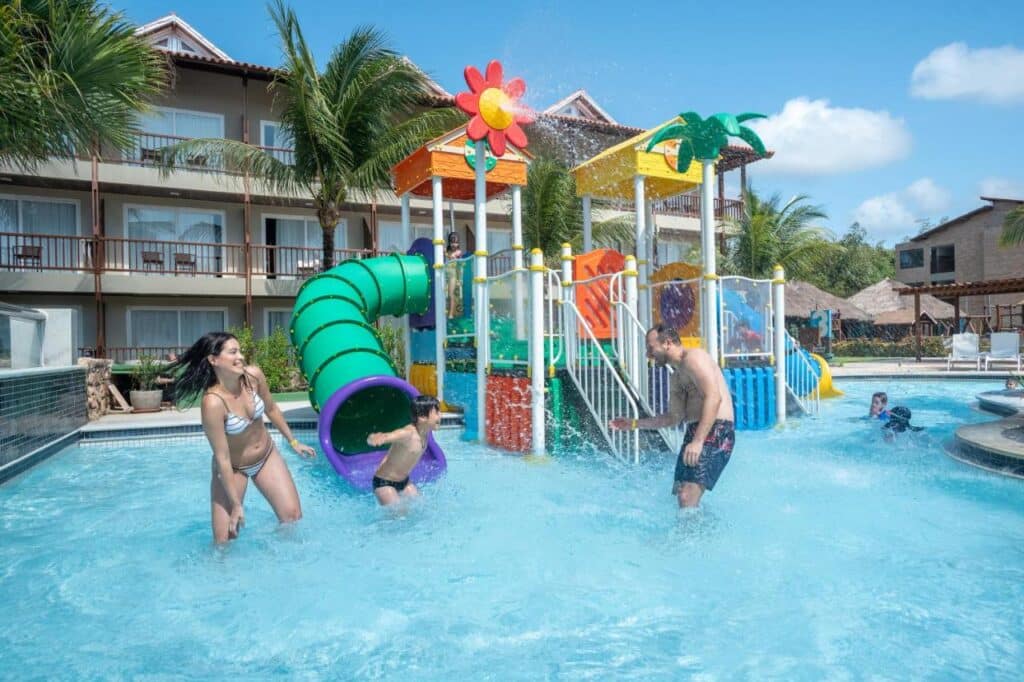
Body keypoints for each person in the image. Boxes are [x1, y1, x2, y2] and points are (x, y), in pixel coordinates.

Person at [167, 331, 316, 543]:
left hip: (266, 457)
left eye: (240, 351)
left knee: (293, 517)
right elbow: (223, 458)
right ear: (213, 360)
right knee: (225, 539)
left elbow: (271, 409)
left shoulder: (253, 377)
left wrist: (293, 441)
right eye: (233, 352)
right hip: (233, 467)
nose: (241, 357)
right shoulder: (213, 403)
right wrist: (237, 504)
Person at [609, 324, 735, 508]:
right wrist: (634, 423)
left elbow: (714, 398)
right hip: (696, 431)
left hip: (716, 429)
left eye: (650, 348)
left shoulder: (694, 358)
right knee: (679, 496)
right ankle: (696, 533)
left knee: (686, 497)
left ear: (667, 343)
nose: (648, 354)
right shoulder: (676, 377)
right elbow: (673, 418)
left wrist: (698, 441)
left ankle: (692, 536)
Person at [366, 395, 442, 506]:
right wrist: (376, 438)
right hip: (384, 483)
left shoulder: (425, 432)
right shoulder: (408, 434)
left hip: (404, 482)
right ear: (422, 417)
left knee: (421, 506)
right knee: (399, 515)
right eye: (437, 413)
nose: (441, 416)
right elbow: (390, 435)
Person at [445, 232, 464, 319]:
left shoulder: (458, 252)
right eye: (452, 242)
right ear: (449, 242)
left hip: (453, 274)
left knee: (451, 294)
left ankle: (451, 314)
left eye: (456, 243)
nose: (454, 244)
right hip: (445, 273)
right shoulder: (447, 250)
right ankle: (448, 311)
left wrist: (459, 280)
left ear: (458, 243)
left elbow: (454, 256)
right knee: (444, 293)